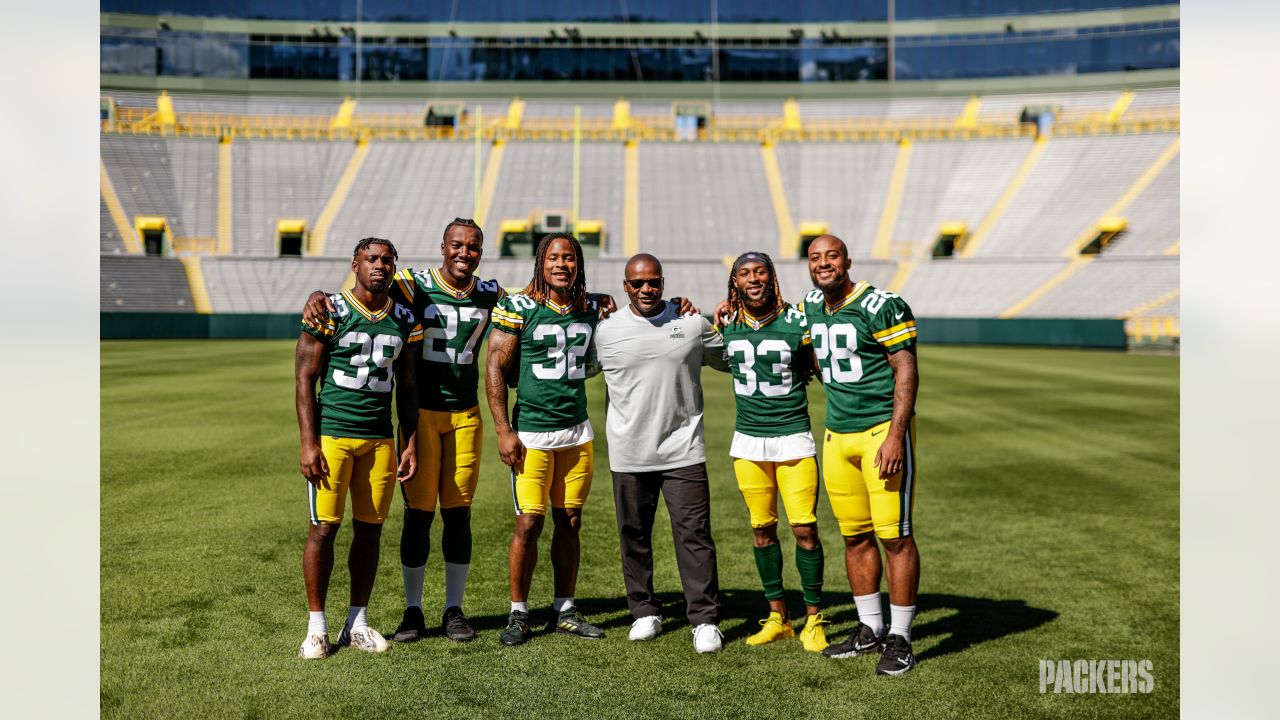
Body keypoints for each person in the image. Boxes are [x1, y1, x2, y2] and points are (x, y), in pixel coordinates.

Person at [305, 218, 501, 643]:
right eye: (456, 245)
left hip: (465, 414)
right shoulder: (411, 283)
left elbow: (531, 300)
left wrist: (593, 297)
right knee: (418, 515)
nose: (464, 253)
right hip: (422, 415)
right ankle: (413, 610)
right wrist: (318, 294)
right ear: (442, 246)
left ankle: (453, 609)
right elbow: (367, 285)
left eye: (473, 247)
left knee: (458, 514)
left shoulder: (489, 292)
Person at [294, 237, 422, 659]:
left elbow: (407, 387)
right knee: (324, 529)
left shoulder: (404, 317)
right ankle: (317, 627)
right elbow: (304, 379)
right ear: (355, 263)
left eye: (388, 260)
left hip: (380, 439)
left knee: (370, 530)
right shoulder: (330, 311)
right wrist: (308, 444)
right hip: (333, 436)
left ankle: (358, 621)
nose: (380, 266)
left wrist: (410, 442)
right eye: (372, 259)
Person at [594, 253, 727, 654]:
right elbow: (577, 367)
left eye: (653, 282)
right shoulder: (605, 330)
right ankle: (644, 611)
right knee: (633, 534)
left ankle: (704, 619)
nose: (646, 290)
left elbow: (731, 359)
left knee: (694, 535)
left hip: (683, 449)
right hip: (628, 451)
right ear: (625, 286)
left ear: (663, 283)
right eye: (638, 284)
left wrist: (728, 318)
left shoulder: (690, 323)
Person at [803, 234, 922, 676]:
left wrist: (896, 435)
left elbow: (905, 367)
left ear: (847, 260)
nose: (823, 264)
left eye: (831, 256)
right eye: (815, 258)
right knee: (854, 536)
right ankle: (869, 628)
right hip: (838, 436)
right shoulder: (811, 306)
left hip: (878, 433)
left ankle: (901, 636)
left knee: (895, 536)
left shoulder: (881, 304)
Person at [485, 233, 607, 646]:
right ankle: (519, 612)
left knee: (570, 519)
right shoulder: (518, 306)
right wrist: (504, 429)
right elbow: (496, 369)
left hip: (576, 431)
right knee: (528, 522)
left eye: (569, 258)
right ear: (541, 261)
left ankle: (564, 608)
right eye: (554, 257)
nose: (561, 264)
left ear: (578, 264)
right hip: (532, 432)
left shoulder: (591, 308)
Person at [716, 251, 829, 653]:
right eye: (745, 273)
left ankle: (815, 618)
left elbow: (820, 366)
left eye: (761, 271)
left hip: (794, 436)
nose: (754, 278)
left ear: (772, 277)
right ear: (736, 282)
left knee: (804, 529)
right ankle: (778, 616)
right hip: (748, 441)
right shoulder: (725, 323)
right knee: (762, 530)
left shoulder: (799, 321)